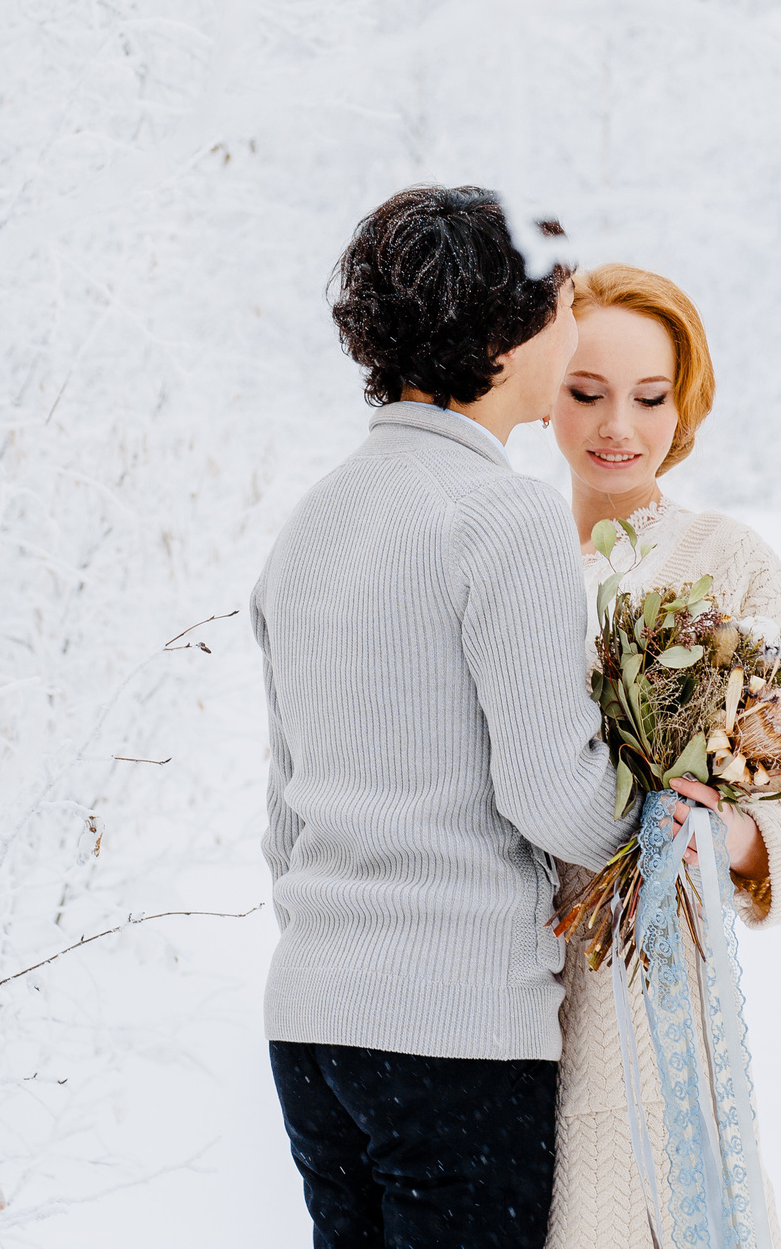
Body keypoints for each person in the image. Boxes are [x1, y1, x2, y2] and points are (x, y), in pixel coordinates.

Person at [252, 186, 637, 1249]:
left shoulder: (314, 518)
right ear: (503, 337)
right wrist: (668, 821)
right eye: (563, 305)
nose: (574, 327)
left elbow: (283, 815)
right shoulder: (500, 514)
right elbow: (555, 796)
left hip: (310, 1025)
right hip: (455, 1033)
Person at [542, 263, 781, 1249]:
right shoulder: (505, 553)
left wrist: (720, 835)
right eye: (586, 393)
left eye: (649, 398)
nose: (617, 429)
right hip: (507, 984)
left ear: (687, 405)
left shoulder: (726, 560)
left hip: (656, 998)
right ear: (539, 389)